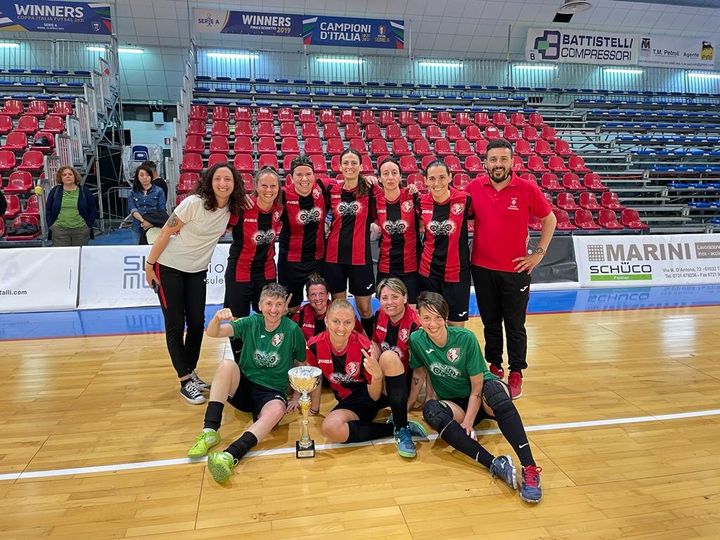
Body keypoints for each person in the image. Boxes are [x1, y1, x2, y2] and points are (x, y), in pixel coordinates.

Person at [408, 292, 543, 503]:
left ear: (445, 318)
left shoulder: (465, 339)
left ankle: (530, 467)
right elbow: (419, 373)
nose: (432, 324)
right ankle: (495, 464)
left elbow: (477, 385)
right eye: (426, 318)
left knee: (496, 394)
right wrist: (407, 406)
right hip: (456, 403)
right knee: (431, 411)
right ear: (418, 318)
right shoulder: (417, 340)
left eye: (437, 318)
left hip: (482, 393)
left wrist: (469, 421)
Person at [144, 162, 245, 404]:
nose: (222, 183)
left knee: (198, 324)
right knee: (175, 325)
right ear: (209, 181)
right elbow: (165, 233)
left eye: (228, 179)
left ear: (235, 184)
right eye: (218, 178)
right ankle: (185, 380)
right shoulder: (193, 203)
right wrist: (149, 265)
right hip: (169, 268)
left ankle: (190, 372)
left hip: (197, 271)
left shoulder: (232, 209)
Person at [466, 139, 556, 399]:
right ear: (485, 163)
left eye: (503, 159)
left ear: (512, 162)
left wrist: (538, 254)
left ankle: (516, 371)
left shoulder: (526, 188)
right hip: (481, 268)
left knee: (515, 325)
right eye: (493, 159)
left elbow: (549, 219)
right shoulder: (473, 188)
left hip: (516, 270)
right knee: (490, 322)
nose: (498, 164)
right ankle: (494, 366)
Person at [188, 283, 306, 483]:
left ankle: (230, 455)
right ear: (260, 305)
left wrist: (296, 396)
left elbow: (301, 364)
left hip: (271, 392)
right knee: (226, 365)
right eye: (269, 303)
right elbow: (213, 333)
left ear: (285, 307)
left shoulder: (293, 330)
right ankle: (210, 431)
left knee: (277, 410)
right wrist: (217, 318)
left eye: (279, 304)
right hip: (244, 387)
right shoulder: (251, 322)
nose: (274, 309)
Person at [306, 299, 407, 448]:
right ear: (326, 321)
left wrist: (377, 376)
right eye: (336, 321)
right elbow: (317, 378)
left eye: (347, 322)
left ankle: (402, 426)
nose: (341, 328)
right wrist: (314, 408)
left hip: (373, 394)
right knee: (330, 428)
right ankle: (393, 429)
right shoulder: (313, 345)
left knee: (389, 357)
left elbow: (374, 397)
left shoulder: (364, 346)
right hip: (350, 402)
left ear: (354, 323)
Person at [224, 166, 283, 361]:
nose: (269, 190)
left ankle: (263, 359)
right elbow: (220, 221)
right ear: (256, 186)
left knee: (268, 318)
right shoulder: (242, 207)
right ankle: (240, 362)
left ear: (278, 187)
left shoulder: (279, 209)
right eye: (264, 185)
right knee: (239, 321)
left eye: (273, 186)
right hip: (240, 271)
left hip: (266, 272)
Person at [370, 277, 428, 458]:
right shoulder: (379, 314)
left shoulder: (416, 324)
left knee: (389, 357)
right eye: (384, 298)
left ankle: (401, 427)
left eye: (394, 297)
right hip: (388, 376)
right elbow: (375, 342)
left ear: (405, 297)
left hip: (408, 379)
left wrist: (409, 404)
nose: (389, 302)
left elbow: (421, 369)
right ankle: (400, 419)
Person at [324, 148, 377, 337]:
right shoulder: (332, 190)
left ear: (361, 166)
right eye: (345, 163)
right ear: (339, 166)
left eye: (354, 163)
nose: (349, 166)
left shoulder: (370, 190)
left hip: (360, 258)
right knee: (339, 309)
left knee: (364, 309)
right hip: (334, 258)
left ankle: (370, 344)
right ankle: (342, 346)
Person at [416, 160, 474, 327]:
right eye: (432, 178)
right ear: (425, 181)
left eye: (442, 177)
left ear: (450, 177)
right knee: (431, 325)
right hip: (428, 273)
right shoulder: (421, 203)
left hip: (457, 273)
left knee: (456, 328)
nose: (437, 183)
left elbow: (480, 222)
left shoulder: (465, 200)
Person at [278, 155, 330, 315]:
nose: (304, 179)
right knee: (291, 307)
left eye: (308, 174)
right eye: (299, 175)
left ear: (314, 175)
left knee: (320, 304)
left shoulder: (323, 188)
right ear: (291, 177)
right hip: (291, 262)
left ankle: (319, 331)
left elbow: (349, 184)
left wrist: (368, 179)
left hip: (318, 260)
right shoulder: (282, 195)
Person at [374, 157, 422, 306]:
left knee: (411, 311)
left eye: (394, 173)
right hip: (386, 266)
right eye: (385, 173)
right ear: (379, 178)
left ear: (400, 176)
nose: (390, 177)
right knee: (388, 309)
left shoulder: (412, 196)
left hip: (411, 265)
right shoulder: (375, 201)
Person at [292, 272, 362, 342]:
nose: (317, 298)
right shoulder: (299, 315)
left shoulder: (344, 312)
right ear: (307, 297)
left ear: (327, 295)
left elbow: (361, 338)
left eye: (321, 294)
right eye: (313, 294)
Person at [45, 166, 96, 246]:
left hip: (81, 230)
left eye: (70, 174)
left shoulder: (84, 191)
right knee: (63, 254)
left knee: (79, 253)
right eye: (64, 175)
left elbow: (92, 209)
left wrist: (88, 226)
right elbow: (48, 209)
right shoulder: (54, 191)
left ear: (75, 176)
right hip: (59, 230)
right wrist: (51, 226)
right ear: (61, 178)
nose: (67, 176)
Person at [128, 164, 166, 244]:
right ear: (137, 177)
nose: (145, 177)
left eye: (147, 175)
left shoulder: (159, 191)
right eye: (141, 175)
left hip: (154, 227)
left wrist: (151, 223)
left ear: (151, 176)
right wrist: (143, 221)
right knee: (138, 249)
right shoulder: (132, 193)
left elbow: (162, 210)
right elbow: (133, 209)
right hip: (137, 227)